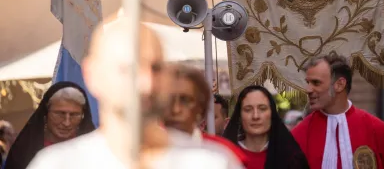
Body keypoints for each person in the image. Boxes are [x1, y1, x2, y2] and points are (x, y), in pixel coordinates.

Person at [27, 14, 241, 168]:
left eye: (156, 69)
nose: (145, 83)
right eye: (128, 69)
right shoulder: (57, 165)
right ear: (93, 75)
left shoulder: (212, 162)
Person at [291, 53, 384, 169]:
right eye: (308, 82)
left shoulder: (376, 129)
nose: (308, 89)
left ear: (339, 84)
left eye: (316, 83)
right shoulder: (298, 134)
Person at [163, 62, 247, 167]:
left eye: (185, 100)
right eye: (168, 100)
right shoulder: (141, 154)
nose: (176, 109)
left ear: (201, 108)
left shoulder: (220, 158)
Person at [4, 82, 95, 169]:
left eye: (74, 115)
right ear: (46, 113)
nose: (67, 123)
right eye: (60, 114)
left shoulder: (94, 151)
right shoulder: (23, 152)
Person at [223, 85, 309, 169]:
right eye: (248, 109)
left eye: (262, 108)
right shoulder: (224, 155)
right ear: (240, 116)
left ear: (272, 114)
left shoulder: (291, 157)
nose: (255, 116)